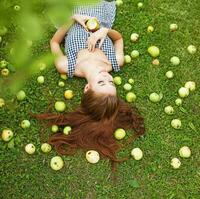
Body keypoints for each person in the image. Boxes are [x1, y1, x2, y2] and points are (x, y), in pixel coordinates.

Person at [31, 0, 145, 173]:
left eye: (101, 82)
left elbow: (54, 43)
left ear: (87, 89)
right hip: (99, 9)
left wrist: (74, 18)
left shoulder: (68, 65)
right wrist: (104, 31)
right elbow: (119, 38)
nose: (107, 77)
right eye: (111, 82)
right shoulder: (114, 62)